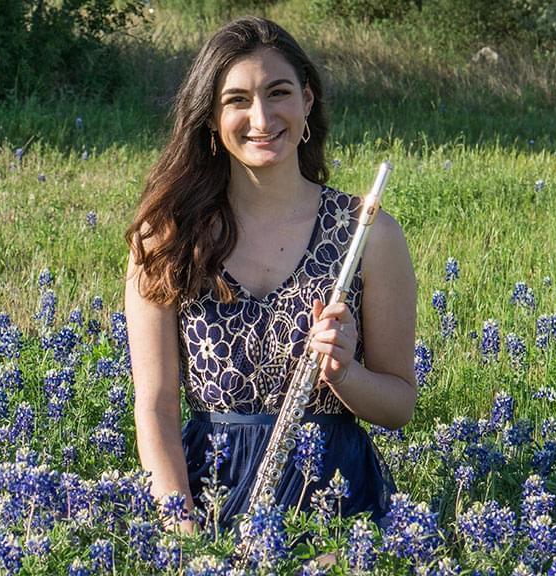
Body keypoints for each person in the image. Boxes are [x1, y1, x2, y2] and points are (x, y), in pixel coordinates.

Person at [124, 16, 417, 536]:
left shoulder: (369, 234)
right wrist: (183, 534)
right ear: (211, 117)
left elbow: (398, 405)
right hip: (207, 489)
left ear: (307, 102)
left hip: (330, 496)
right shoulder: (165, 236)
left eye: (278, 92)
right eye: (237, 99)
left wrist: (344, 373)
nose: (261, 117)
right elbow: (156, 409)